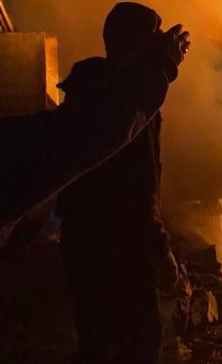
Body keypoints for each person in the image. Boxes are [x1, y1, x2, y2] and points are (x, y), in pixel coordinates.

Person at [56, 2, 186, 364]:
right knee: (132, 349)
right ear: (133, 43)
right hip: (114, 250)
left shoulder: (98, 90)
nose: (163, 42)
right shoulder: (120, 104)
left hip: (89, 246)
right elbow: (134, 193)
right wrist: (159, 253)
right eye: (153, 35)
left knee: (101, 351)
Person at [0, 20, 190, 238]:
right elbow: (85, 135)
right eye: (153, 32)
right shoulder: (111, 100)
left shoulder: (91, 89)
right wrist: (159, 66)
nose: (159, 36)